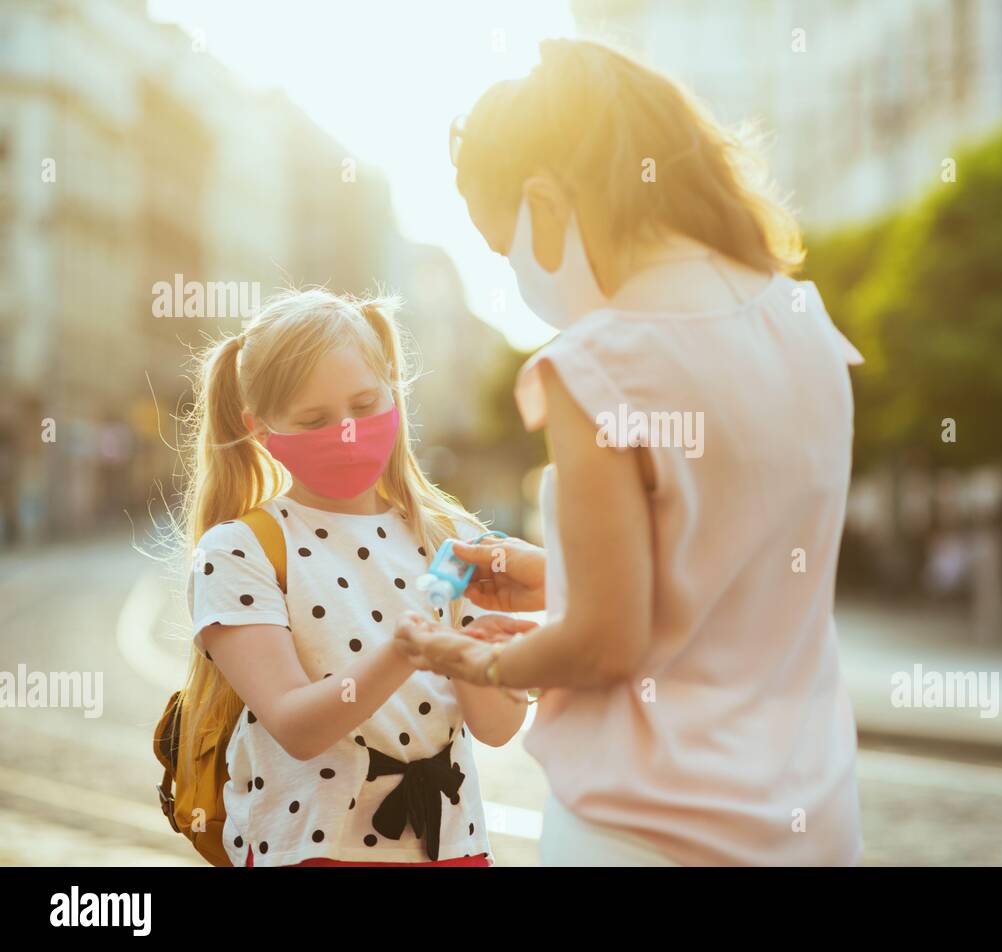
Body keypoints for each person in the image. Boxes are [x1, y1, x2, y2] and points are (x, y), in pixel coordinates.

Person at [395, 38, 864, 866]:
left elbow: (605, 646)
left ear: (545, 196)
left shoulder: (601, 365)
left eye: (504, 243)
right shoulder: (807, 326)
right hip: (813, 814)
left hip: (646, 829)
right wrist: (555, 572)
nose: (516, 272)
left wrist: (463, 653)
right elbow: (732, 557)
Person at [179, 289, 526, 866]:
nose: (345, 431)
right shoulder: (241, 550)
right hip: (314, 852)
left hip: (454, 848)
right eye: (314, 419)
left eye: (364, 405)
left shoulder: (450, 539)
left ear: (392, 387)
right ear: (261, 430)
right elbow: (296, 725)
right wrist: (408, 649)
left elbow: (497, 726)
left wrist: (484, 660)